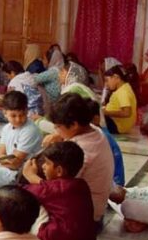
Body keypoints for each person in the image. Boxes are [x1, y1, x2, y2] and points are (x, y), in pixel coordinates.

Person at [43, 93, 114, 224]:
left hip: (85, 217)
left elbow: (58, 189)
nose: (56, 130)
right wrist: (59, 135)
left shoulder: (82, 150)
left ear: (74, 125)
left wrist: (31, 177)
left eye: (58, 127)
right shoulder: (93, 129)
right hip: (96, 208)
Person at [102, 65, 138, 134]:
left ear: (116, 78)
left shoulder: (123, 92)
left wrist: (106, 112)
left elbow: (127, 113)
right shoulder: (125, 87)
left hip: (117, 126)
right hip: (118, 124)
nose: (106, 84)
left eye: (107, 80)